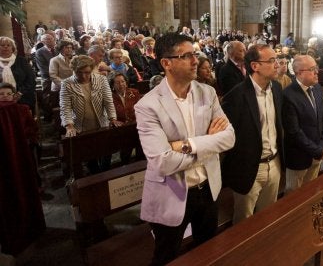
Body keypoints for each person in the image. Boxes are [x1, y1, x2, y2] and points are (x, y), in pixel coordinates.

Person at [134, 33, 234, 266]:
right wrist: (209, 144)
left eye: (195, 54)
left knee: (208, 252)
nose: (195, 61)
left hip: (208, 188)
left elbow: (229, 138)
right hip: (171, 193)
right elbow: (162, 162)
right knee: (166, 256)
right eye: (186, 56)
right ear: (166, 63)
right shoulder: (148, 105)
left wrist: (188, 145)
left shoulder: (206, 92)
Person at [221, 44, 283, 224]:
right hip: (250, 168)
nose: (277, 64)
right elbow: (228, 137)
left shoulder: (277, 89)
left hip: (275, 163)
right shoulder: (236, 96)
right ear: (255, 66)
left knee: (269, 215)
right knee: (244, 221)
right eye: (271, 61)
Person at [60, 55, 122, 174]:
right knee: (90, 159)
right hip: (82, 127)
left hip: (102, 124)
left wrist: (113, 118)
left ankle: (106, 179)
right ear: (73, 70)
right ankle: (96, 180)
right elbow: (65, 107)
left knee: (106, 154)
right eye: (79, 72)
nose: (84, 76)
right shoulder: (67, 84)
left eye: (87, 72)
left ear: (92, 69)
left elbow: (108, 101)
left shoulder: (101, 80)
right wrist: (69, 125)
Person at [281, 55, 323, 194]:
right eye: (312, 69)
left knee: (311, 190)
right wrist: (317, 150)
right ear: (299, 72)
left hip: (318, 151)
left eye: (316, 68)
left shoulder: (317, 88)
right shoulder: (288, 95)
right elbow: (294, 132)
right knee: (293, 195)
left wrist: (322, 145)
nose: (317, 72)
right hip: (299, 156)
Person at [0, 37, 37, 114]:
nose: (5, 47)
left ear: (12, 48)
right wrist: (4, 95)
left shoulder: (21, 61)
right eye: (2, 45)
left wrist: (20, 93)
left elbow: (31, 80)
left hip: (23, 97)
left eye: (8, 45)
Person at [34, 33, 57, 120]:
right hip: (48, 78)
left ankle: (57, 115)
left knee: (57, 97)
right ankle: (48, 116)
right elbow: (43, 68)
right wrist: (55, 74)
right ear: (43, 41)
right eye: (48, 39)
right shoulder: (40, 52)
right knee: (48, 98)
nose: (51, 40)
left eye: (52, 38)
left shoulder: (56, 50)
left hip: (58, 77)